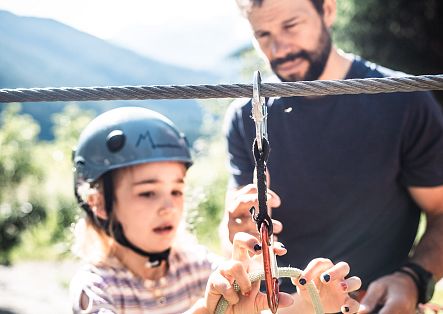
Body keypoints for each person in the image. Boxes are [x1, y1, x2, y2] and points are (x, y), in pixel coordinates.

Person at [221, 0, 443, 313]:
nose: (280, 48)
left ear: (327, 10)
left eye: (291, 26)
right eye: (263, 34)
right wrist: (235, 228)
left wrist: (413, 279)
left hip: (376, 304)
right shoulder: (249, 116)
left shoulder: (401, 100)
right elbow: (235, 232)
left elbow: (441, 210)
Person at [69, 106, 361, 314]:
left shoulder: (196, 267)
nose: (168, 206)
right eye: (147, 193)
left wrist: (308, 305)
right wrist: (205, 310)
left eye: (177, 190)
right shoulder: (95, 289)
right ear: (99, 203)